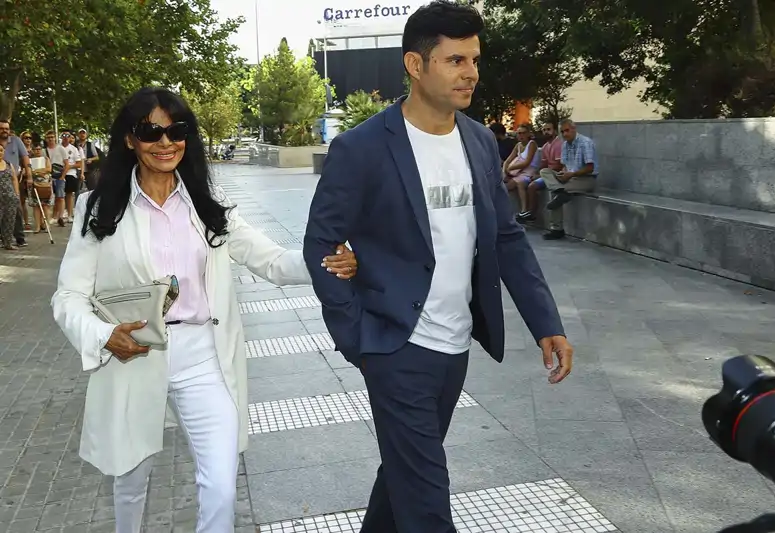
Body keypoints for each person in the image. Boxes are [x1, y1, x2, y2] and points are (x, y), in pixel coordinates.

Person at [302, 2, 573, 532]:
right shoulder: (361, 148)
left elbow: (507, 237)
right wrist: (357, 336)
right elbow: (320, 242)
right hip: (395, 345)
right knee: (427, 496)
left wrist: (546, 322)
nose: (470, 73)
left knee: (404, 476)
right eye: (454, 60)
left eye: (474, 60)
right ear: (415, 64)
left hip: (455, 344)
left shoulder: (478, 139)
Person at [51, 87, 358, 533]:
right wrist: (103, 336)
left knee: (220, 485)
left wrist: (328, 262)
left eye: (176, 131)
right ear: (130, 140)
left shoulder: (208, 206)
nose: (165, 142)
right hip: (134, 354)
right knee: (130, 479)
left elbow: (273, 261)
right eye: (150, 132)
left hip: (203, 357)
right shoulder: (98, 209)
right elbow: (68, 297)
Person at [0, 143, 21, 250]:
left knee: (9, 220)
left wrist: (16, 194)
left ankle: (8, 243)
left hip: (10, 196)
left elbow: (14, 179)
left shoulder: (8, 164)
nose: (0, 153)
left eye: (1, 150)